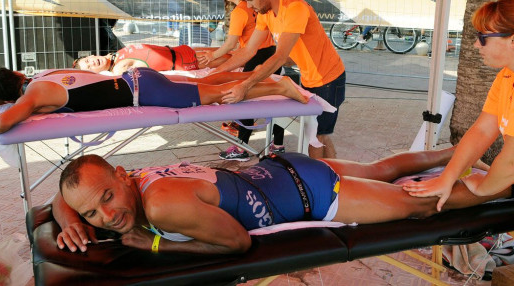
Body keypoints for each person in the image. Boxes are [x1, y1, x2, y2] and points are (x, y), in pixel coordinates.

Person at [52, 147, 510, 255]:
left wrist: (151, 244)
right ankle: (460, 148)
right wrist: (68, 212)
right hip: (280, 167)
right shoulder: (133, 175)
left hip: (312, 195)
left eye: (107, 199)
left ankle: (504, 179)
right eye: (92, 212)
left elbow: (236, 244)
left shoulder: (160, 207)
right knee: (380, 170)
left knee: (418, 203)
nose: (108, 217)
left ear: (118, 176)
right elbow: (72, 190)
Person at [212, 0, 346, 159]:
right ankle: (334, 178)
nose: (248, 7)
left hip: (329, 78)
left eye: (250, 0)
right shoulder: (266, 14)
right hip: (310, 78)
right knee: (320, 133)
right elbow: (248, 51)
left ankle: (321, 184)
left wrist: (246, 85)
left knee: (316, 135)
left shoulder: (295, 8)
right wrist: (216, 73)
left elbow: (280, 56)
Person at [403, 0, 514, 211]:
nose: (475, 44)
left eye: (483, 37)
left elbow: (511, 161)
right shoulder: (506, 77)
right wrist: (447, 178)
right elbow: (482, 131)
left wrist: (483, 186)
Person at [0, 67, 308, 138]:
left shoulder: (33, 95)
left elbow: (6, 121)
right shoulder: (41, 76)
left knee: (221, 94)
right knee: (206, 83)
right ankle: (273, 81)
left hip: (146, 93)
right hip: (138, 77)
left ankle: (279, 86)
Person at [198, 0, 285, 161]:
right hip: (269, 54)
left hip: (260, 58)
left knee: (246, 100)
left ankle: (241, 147)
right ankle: (278, 143)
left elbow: (234, 46)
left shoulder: (242, 11)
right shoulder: (260, 10)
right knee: (275, 100)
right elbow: (244, 49)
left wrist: (216, 64)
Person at [73, 44, 230, 75]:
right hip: (184, 61)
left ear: (91, 55)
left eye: (88, 60)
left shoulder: (115, 54)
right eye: (89, 67)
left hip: (180, 49)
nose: (92, 62)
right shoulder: (117, 69)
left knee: (233, 50)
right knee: (234, 58)